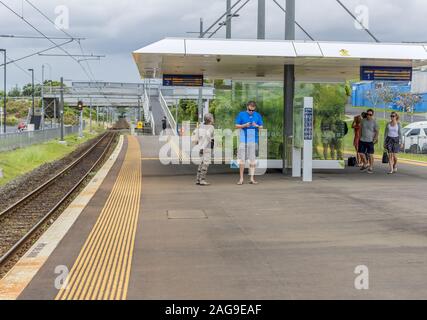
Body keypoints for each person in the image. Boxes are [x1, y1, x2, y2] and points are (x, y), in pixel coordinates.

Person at [235, 101, 264, 185]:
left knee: (252, 160)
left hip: (253, 140)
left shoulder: (257, 115)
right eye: (250, 110)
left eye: (253, 110)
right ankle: (241, 179)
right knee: (242, 160)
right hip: (243, 140)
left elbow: (261, 127)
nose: (251, 112)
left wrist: (257, 126)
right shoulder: (241, 114)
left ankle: (252, 178)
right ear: (247, 107)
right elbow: (236, 125)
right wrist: (244, 125)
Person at [194, 113, 215, 186]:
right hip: (206, 147)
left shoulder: (200, 126)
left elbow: (195, 136)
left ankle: (197, 179)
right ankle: (202, 180)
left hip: (200, 147)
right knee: (205, 164)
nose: (213, 119)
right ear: (210, 119)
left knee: (201, 163)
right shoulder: (211, 127)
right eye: (212, 117)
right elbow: (208, 137)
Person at [358, 109, 379, 174]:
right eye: (367, 114)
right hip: (362, 139)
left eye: (370, 114)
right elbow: (360, 129)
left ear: (372, 115)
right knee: (361, 153)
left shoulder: (374, 122)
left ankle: (371, 167)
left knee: (370, 154)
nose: (368, 115)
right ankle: (365, 163)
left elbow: (377, 131)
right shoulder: (363, 121)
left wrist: (375, 138)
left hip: (370, 140)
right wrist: (359, 136)